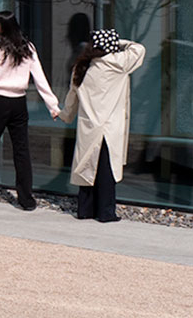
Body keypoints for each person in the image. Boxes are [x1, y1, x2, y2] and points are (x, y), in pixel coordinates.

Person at [0, 10, 60, 210]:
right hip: (19, 103)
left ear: (1, 29)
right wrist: (53, 105)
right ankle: (26, 199)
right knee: (21, 151)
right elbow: (40, 79)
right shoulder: (28, 48)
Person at [59, 29, 145, 222]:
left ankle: (85, 210)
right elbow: (138, 48)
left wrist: (65, 115)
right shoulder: (118, 64)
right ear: (111, 46)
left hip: (89, 126)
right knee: (106, 170)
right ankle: (106, 212)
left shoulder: (81, 67)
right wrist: (119, 42)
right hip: (109, 127)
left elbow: (72, 97)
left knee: (87, 167)